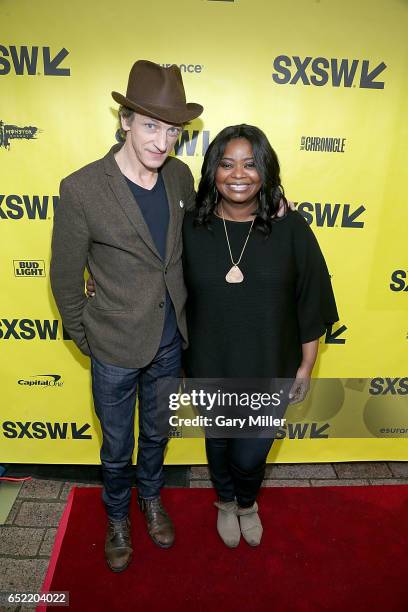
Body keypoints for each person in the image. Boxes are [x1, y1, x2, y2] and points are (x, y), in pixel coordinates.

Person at [50, 60, 203, 572]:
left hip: (168, 341)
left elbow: (204, 233)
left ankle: (151, 499)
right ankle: (117, 516)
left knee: (156, 433)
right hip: (113, 345)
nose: (163, 142)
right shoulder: (82, 189)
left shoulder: (181, 177)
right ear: (124, 121)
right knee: (116, 445)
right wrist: (87, 336)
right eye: (151, 126)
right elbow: (64, 278)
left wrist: (271, 205)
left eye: (173, 131)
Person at [181, 124, 339, 547]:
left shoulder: (291, 228)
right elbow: (152, 272)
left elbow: (311, 298)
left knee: (251, 452)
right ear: (213, 171)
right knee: (218, 442)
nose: (239, 173)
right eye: (227, 163)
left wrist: (306, 364)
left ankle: (247, 501)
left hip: (270, 365)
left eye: (251, 164)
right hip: (209, 362)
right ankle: (226, 501)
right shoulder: (190, 228)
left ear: (265, 171)